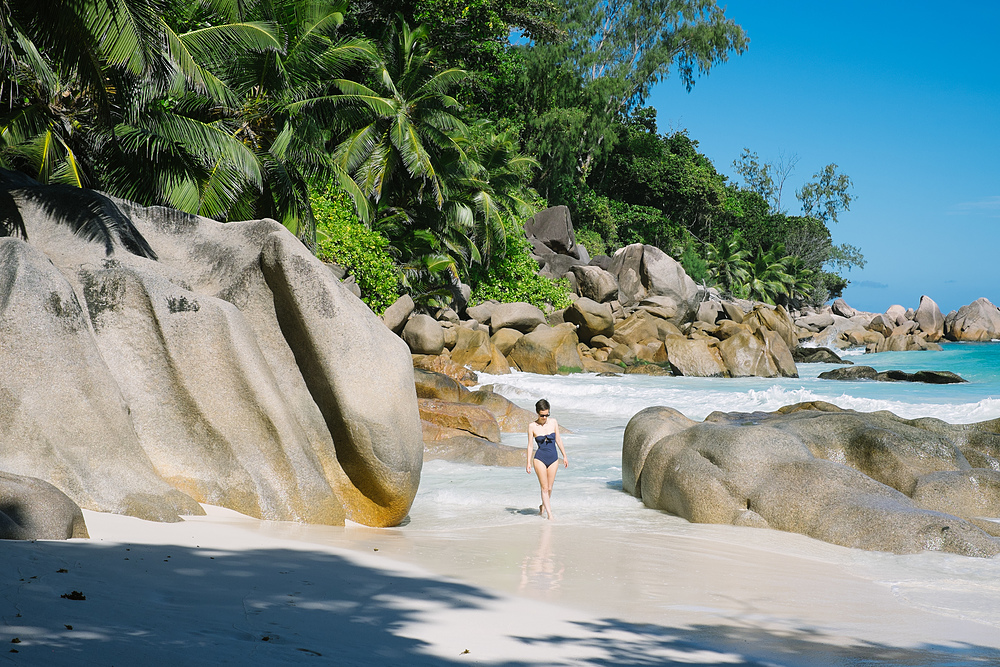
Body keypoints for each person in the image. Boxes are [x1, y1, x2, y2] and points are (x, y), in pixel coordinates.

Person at [526, 399, 568, 520]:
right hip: (540, 458)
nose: (544, 417)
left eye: (547, 415)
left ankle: (543, 506)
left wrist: (564, 456)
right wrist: (528, 462)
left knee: (549, 488)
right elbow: (530, 445)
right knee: (544, 488)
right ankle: (550, 515)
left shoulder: (553, 422)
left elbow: (558, 440)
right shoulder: (532, 426)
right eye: (542, 415)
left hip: (553, 458)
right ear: (537, 413)